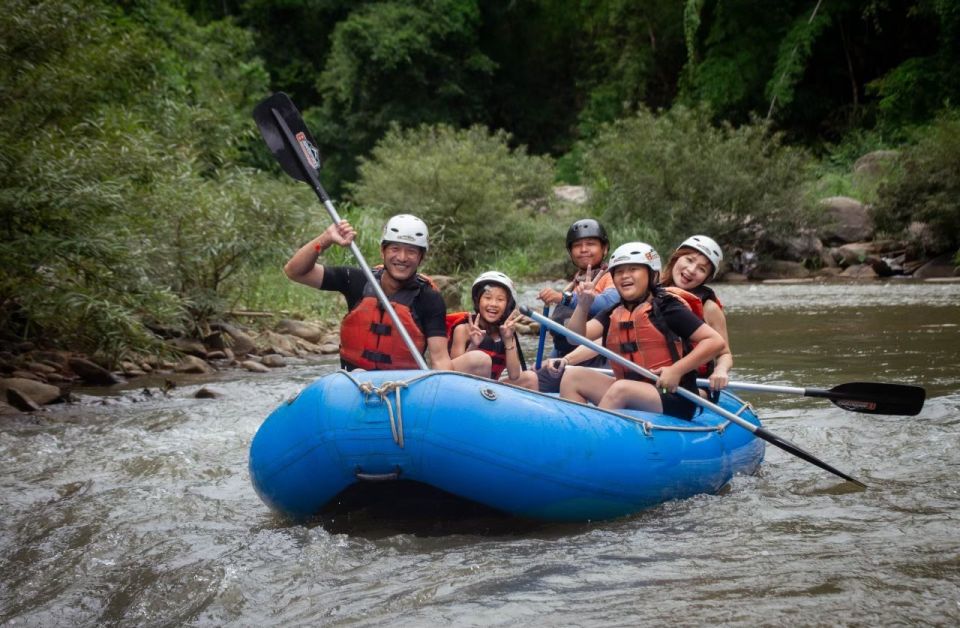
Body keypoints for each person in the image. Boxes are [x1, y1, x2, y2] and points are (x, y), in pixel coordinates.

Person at [283, 214, 488, 375]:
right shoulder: (356, 280)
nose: (402, 257)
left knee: (479, 360)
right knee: (362, 373)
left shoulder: (429, 298)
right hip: (357, 381)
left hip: (405, 386)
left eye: (411, 252)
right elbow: (295, 271)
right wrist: (325, 239)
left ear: (421, 257)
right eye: (395, 249)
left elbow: (440, 359)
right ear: (383, 252)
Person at [558, 242, 727, 418]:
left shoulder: (668, 307)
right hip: (631, 390)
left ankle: (591, 438)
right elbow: (574, 338)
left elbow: (715, 342)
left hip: (673, 395)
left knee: (621, 389)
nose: (625, 276)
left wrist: (676, 370)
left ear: (652, 275)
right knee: (573, 377)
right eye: (620, 271)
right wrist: (583, 306)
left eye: (633, 269)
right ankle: (576, 430)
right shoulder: (614, 312)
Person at [535, 218, 619, 392]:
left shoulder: (612, 276)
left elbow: (609, 302)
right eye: (577, 245)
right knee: (530, 374)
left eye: (590, 244)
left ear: (604, 248)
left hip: (598, 366)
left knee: (530, 382)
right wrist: (547, 363)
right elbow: (563, 339)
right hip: (569, 362)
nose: (583, 250)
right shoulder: (574, 282)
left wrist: (563, 298)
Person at [660, 235, 732, 391]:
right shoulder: (651, 290)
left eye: (702, 269)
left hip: (693, 384)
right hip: (653, 373)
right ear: (676, 258)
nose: (691, 271)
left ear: (706, 278)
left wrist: (720, 370)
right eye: (689, 260)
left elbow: (724, 353)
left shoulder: (709, 307)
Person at [448, 271, 539, 389]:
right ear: (478, 301)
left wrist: (508, 340)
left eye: (500, 299)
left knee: (530, 378)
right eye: (488, 298)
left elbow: (514, 375)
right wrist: (473, 345)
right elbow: (453, 373)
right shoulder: (463, 329)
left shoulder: (508, 332)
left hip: (489, 390)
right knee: (481, 358)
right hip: (463, 387)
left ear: (508, 306)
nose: (493, 304)